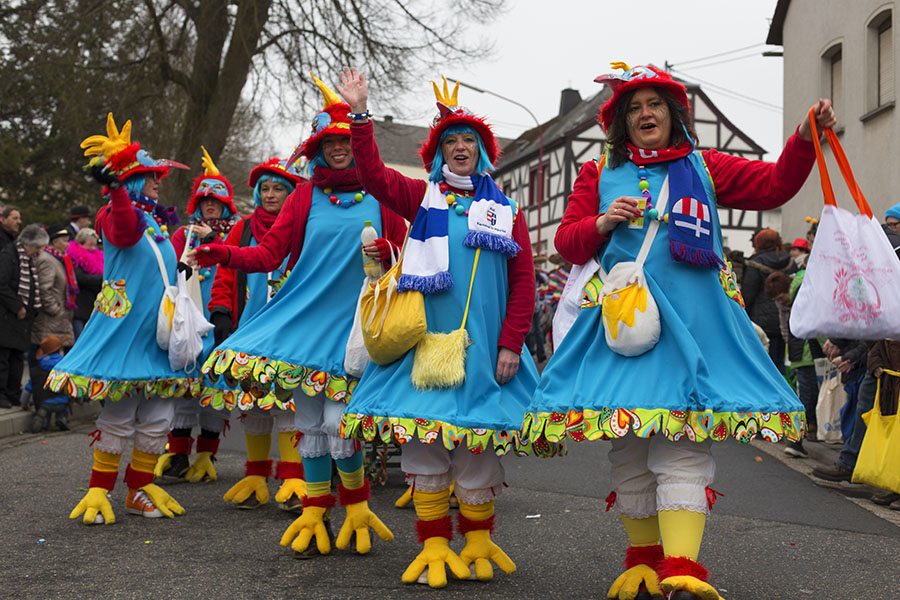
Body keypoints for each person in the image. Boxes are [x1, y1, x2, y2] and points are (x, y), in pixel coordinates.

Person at [524, 62, 835, 600]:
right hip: (625, 326)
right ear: (622, 120)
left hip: (695, 326)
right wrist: (602, 223)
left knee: (683, 444)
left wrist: (803, 139)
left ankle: (682, 566)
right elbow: (568, 243)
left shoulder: (705, 165)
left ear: (673, 114)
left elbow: (775, 185)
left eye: (656, 105)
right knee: (626, 445)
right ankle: (642, 558)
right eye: (636, 107)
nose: (646, 114)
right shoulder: (599, 171)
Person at [336, 68, 539, 588]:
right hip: (422, 345)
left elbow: (523, 283)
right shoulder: (419, 198)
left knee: (476, 447)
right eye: (451, 141)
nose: (461, 147)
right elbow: (374, 174)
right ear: (438, 154)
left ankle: (477, 542)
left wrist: (511, 344)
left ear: (483, 151)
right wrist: (360, 114)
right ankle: (432, 545)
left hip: (484, 350)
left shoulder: (507, 210)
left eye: (469, 140)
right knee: (424, 444)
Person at [190, 74, 405, 558]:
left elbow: (410, 255)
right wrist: (222, 253)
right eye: (329, 143)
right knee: (310, 425)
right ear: (317, 149)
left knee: (338, 424)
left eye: (345, 141)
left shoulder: (382, 196)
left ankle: (355, 506)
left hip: (355, 330)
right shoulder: (303, 197)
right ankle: (315, 510)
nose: (338, 150)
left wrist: (390, 250)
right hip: (306, 325)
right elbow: (267, 254)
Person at [47, 113, 193, 524]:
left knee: (160, 415)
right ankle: (98, 490)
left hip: (159, 334)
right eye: (148, 177)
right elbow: (125, 233)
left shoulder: (158, 222)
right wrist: (114, 191)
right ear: (130, 183)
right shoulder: (116, 215)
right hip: (126, 333)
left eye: (156, 176)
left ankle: (139, 488)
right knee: (119, 414)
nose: (157, 181)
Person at [204, 156, 309, 512]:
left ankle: (293, 476)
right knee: (255, 403)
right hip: (250, 328)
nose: (269, 194)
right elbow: (225, 275)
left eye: (278, 188)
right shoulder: (244, 228)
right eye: (264, 188)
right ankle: (255, 475)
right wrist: (221, 313)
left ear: (293, 192)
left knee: (291, 404)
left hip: (294, 329)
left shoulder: (305, 225)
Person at [154, 147, 239, 484]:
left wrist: (216, 239)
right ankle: (177, 454)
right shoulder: (182, 233)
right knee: (185, 389)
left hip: (220, 317)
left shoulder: (236, 231)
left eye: (215, 202)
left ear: (226, 204)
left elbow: (241, 262)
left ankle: (207, 453)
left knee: (215, 390)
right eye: (204, 201)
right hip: (188, 319)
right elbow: (168, 272)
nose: (209, 206)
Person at [812, 201, 900, 486]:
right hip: (882, 352)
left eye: (894, 224)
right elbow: (873, 310)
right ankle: (856, 466)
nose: (890, 230)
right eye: (888, 224)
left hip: (887, 353)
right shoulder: (888, 257)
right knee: (869, 408)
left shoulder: (890, 256)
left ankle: (877, 474)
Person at [0, 224, 47, 409]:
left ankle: (13, 392)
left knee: (18, 358)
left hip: (22, 320)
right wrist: (18, 306)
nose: (38, 252)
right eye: (36, 247)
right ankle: (2, 393)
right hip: (7, 316)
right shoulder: (8, 256)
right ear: (27, 244)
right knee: (3, 358)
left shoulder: (27, 259)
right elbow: (2, 285)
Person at [742, 228, 791, 373]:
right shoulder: (789, 260)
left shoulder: (755, 263)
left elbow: (748, 294)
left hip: (760, 321)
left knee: (763, 364)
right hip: (784, 317)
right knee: (780, 363)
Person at [31, 226, 76, 357]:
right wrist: (55, 310)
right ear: (55, 242)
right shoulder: (47, 260)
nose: (68, 245)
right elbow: (44, 288)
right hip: (50, 318)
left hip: (59, 319)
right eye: (65, 241)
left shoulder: (60, 259)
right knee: (44, 356)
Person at [27, 334, 70, 433]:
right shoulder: (64, 368)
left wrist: (24, 403)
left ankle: (42, 419)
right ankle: (62, 418)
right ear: (60, 351)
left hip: (43, 402)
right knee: (63, 408)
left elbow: (28, 389)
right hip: (62, 401)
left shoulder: (36, 369)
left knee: (44, 410)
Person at [67, 228, 104, 340]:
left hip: (93, 306)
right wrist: (102, 278)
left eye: (94, 245)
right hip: (80, 307)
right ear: (80, 243)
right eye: (90, 245)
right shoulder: (74, 257)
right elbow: (80, 278)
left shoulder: (99, 257)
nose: (93, 248)